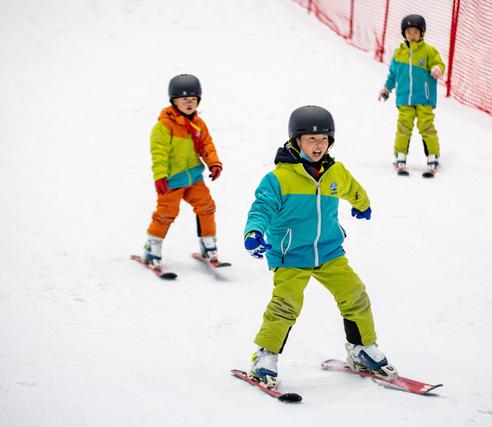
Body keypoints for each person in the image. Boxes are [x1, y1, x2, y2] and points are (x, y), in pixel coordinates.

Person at [242, 105, 397, 389]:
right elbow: (261, 208)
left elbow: (352, 188)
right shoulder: (278, 178)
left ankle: (362, 348)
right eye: (311, 139)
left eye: (324, 139)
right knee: (286, 304)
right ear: (295, 141)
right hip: (290, 254)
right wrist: (253, 232)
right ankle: (265, 356)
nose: (318, 145)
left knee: (354, 293)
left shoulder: (335, 172)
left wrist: (362, 205)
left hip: (328, 251)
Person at [142, 74, 223, 268]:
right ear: (174, 101)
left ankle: (208, 245)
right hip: (172, 180)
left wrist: (214, 163)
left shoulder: (198, 124)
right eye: (184, 99)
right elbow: (159, 154)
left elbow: (206, 145)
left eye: (194, 99)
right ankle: (152, 248)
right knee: (166, 213)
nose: (189, 103)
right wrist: (160, 176)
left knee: (207, 207)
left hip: (194, 177)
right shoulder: (164, 126)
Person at [378, 14, 445, 176]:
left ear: (422, 33)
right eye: (408, 32)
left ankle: (433, 157)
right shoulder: (399, 53)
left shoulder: (429, 51)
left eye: (415, 32)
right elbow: (393, 75)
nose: (412, 35)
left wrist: (437, 69)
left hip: (424, 98)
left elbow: (439, 63)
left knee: (426, 127)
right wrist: (386, 89)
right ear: (404, 34)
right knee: (403, 128)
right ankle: (400, 157)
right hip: (404, 99)